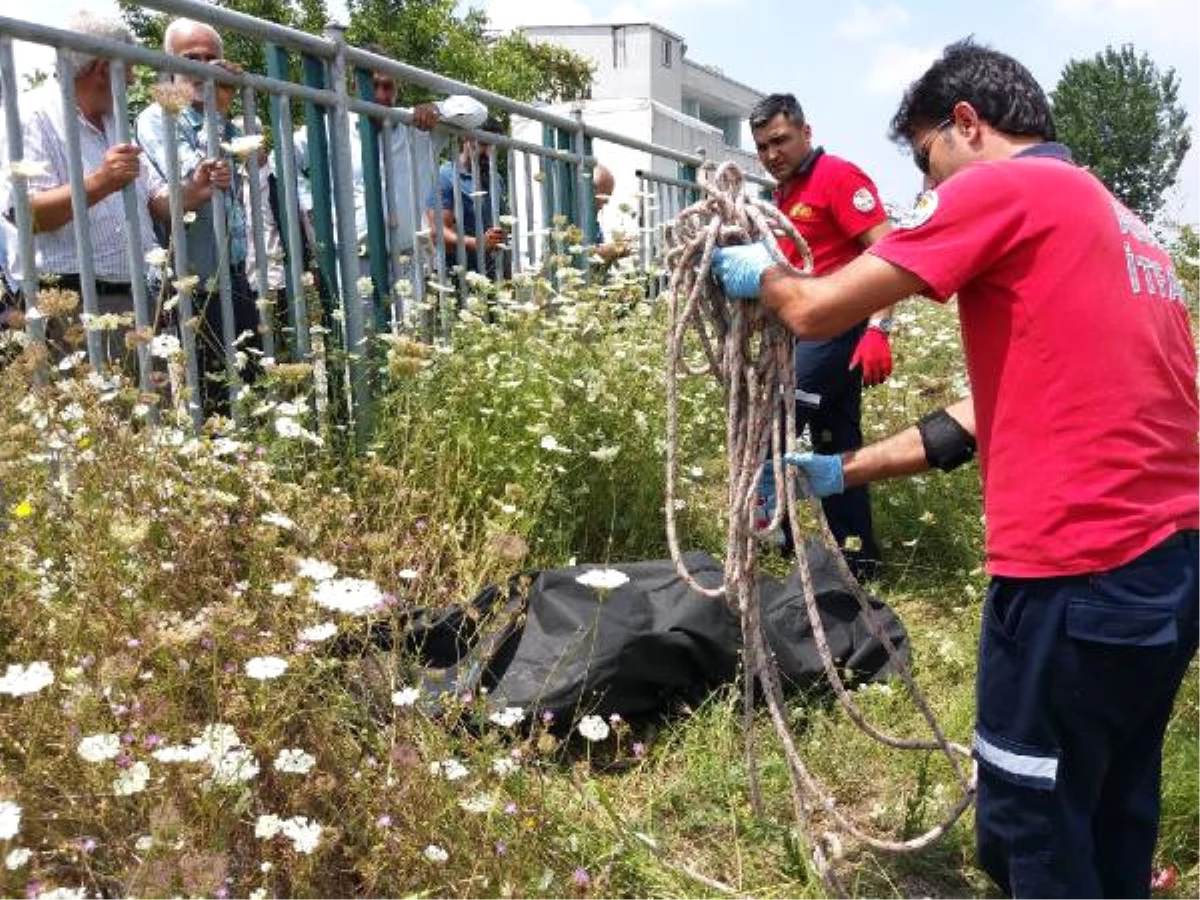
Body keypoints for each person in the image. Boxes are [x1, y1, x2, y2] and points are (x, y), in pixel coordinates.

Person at [713, 39, 1199, 898]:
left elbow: (819, 309)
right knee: (1113, 791)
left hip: (1075, 575)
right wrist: (842, 471)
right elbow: (980, 416)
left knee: (1032, 821)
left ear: (967, 124)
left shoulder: (1008, 187)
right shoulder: (1118, 223)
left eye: (930, 163)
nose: (931, 194)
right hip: (1167, 570)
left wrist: (769, 280)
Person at [0, 12, 218, 362]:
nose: (132, 80)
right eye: (128, 68)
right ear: (104, 69)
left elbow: (149, 201)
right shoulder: (31, 115)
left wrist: (192, 191)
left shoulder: (115, 119)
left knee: (148, 413)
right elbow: (25, 215)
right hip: (72, 305)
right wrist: (101, 181)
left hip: (135, 298)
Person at [748, 93, 895, 579]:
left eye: (781, 141)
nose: (772, 154)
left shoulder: (837, 177)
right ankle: (858, 559)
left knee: (773, 428)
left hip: (836, 329)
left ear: (806, 133)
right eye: (762, 146)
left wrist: (879, 328)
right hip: (806, 332)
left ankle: (774, 542)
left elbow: (890, 251)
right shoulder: (784, 196)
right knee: (836, 442)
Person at [293, 50, 487, 313]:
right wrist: (311, 204)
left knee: (410, 345)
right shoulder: (332, 127)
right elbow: (280, 158)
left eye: (388, 87)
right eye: (373, 86)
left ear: (398, 89)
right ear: (354, 86)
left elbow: (478, 111)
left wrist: (438, 108)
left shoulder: (417, 125)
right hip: (354, 262)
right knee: (363, 347)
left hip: (406, 261)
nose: (382, 96)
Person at [135, 18, 253, 407]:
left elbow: (253, 163)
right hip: (193, 285)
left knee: (250, 388)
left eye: (211, 59)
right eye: (193, 59)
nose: (204, 69)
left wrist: (223, 117)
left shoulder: (224, 123)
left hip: (233, 273)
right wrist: (218, 112)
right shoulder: (158, 117)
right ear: (170, 66)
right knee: (213, 398)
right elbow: (198, 178)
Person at [426, 117, 507, 281]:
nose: (490, 152)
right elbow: (437, 233)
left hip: (492, 273)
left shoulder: (496, 178)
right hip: (456, 276)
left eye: (494, 146)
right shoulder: (446, 176)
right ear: (466, 139)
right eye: (484, 143)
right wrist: (478, 243)